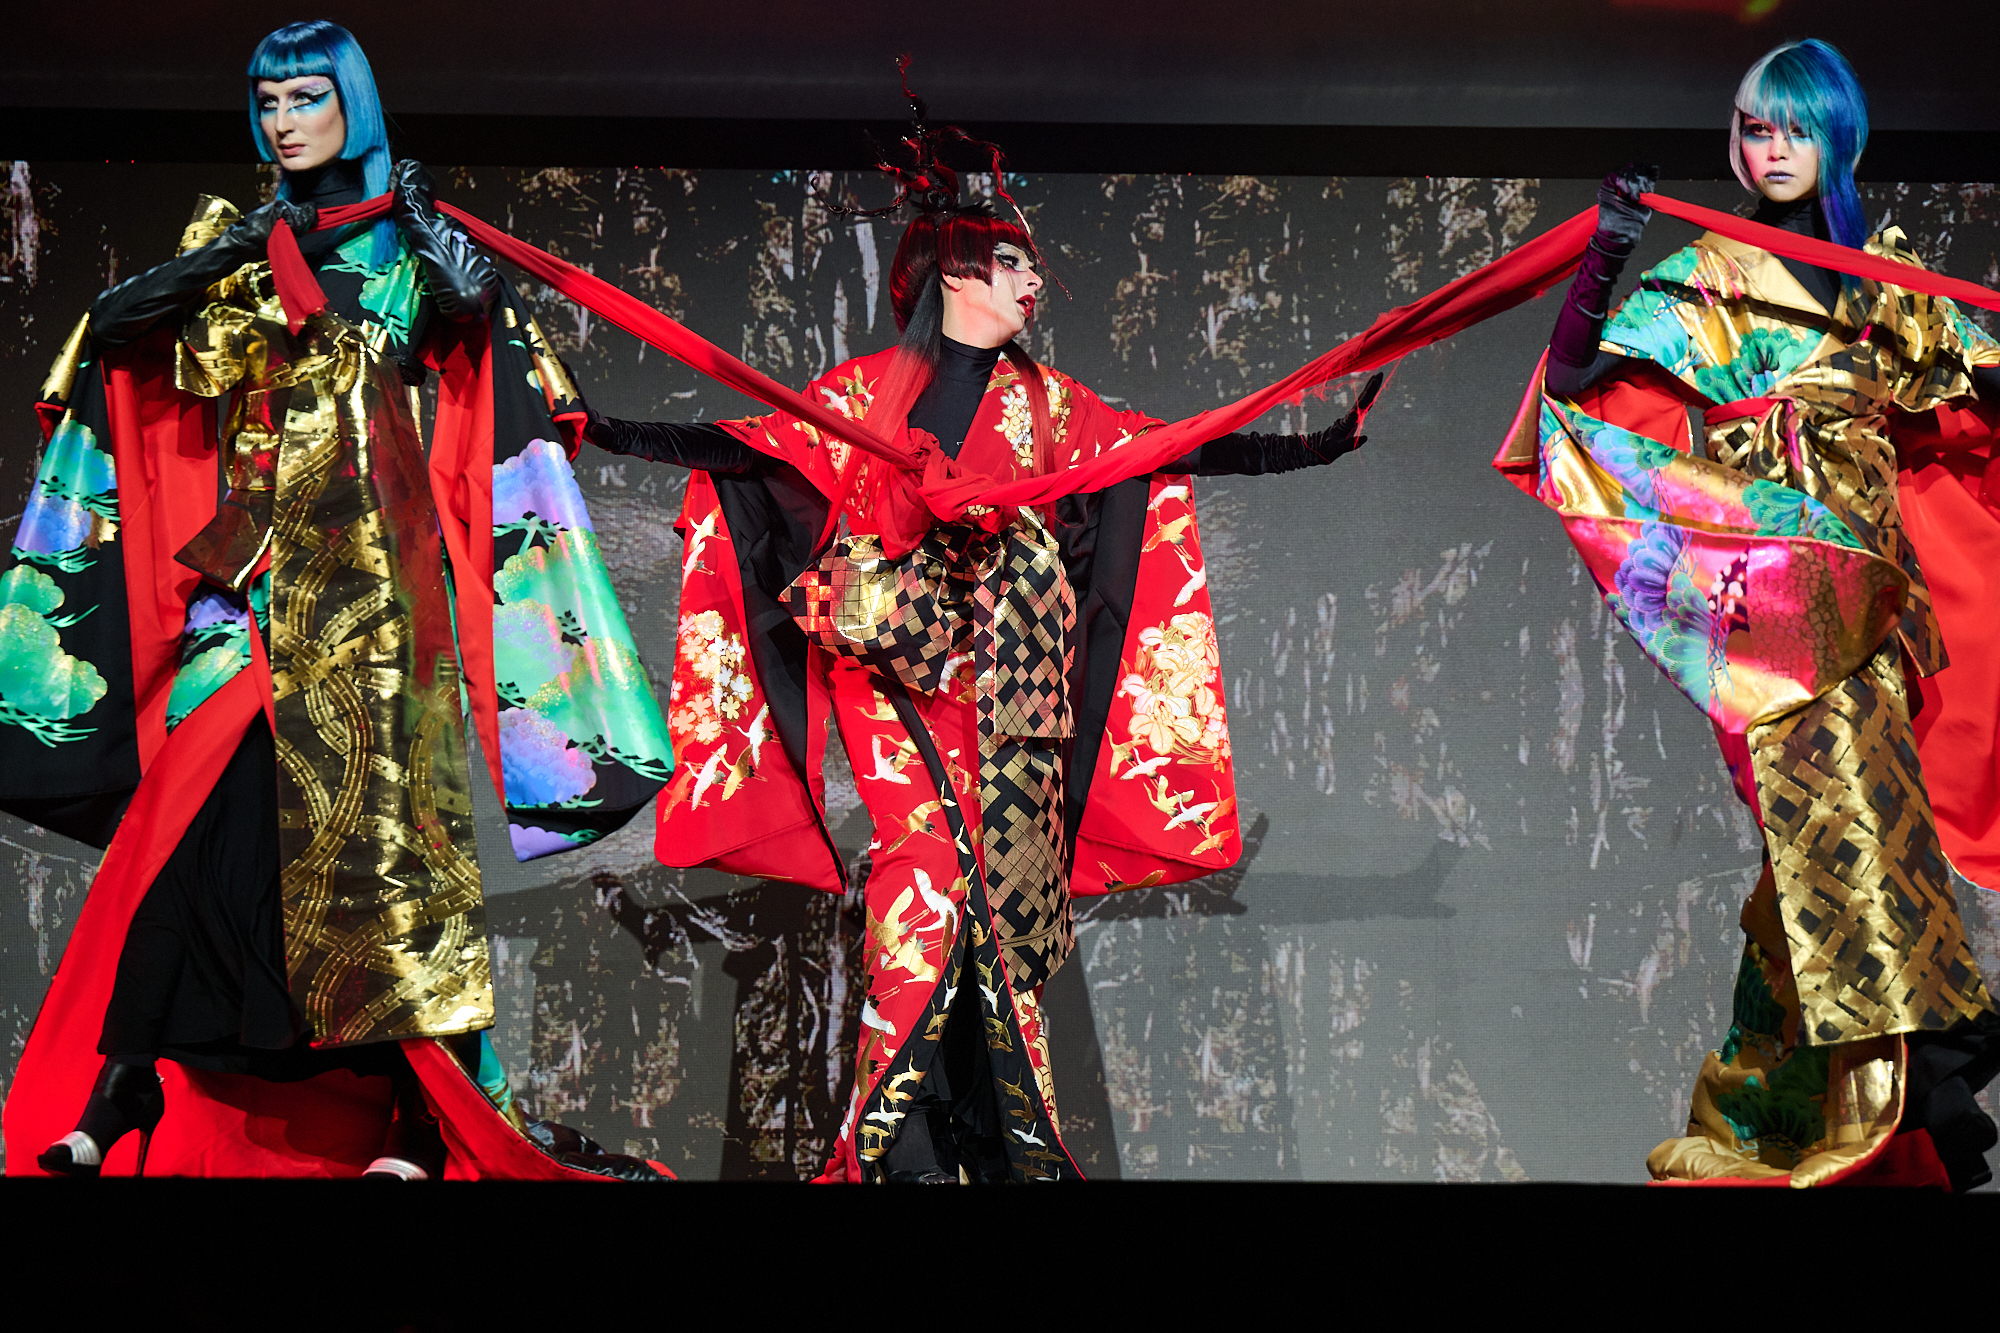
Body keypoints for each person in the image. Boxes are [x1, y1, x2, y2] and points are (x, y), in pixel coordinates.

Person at [584, 99, 1379, 1182]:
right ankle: (888, 1143)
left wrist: (1310, 445)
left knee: (1004, 913)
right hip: (895, 681)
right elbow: (738, 444)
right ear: (955, 274)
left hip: (1011, 691)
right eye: (1011, 263)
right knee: (919, 873)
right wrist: (599, 427)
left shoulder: (1053, 408)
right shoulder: (859, 398)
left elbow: (1175, 451)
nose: (1030, 284)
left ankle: (990, 1140)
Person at [2, 20, 671, 1180]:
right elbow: (112, 330)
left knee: (390, 861)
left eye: (306, 97)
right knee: (186, 841)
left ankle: (419, 1121)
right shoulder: (232, 238)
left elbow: (478, 338)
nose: (283, 121)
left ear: (350, 104)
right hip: (248, 595)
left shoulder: (413, 251)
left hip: (375, 598)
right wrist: (244, 247)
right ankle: (119, 1094)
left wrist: (427, 234)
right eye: (267, 103)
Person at [1527, 37, 2000, 1188]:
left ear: (1837, 136)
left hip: (1878, 604)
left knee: (1826, 845)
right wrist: (1605, 256)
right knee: (1827, 809)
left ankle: (1782, 1112)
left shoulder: (1889, 282)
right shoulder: (1710, 276)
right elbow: (1576, 379)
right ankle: (1923, 1053)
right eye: (1748, 125)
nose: (1767, 146)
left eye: (1790, 126)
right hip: (1769, 598)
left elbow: (1974, 383)